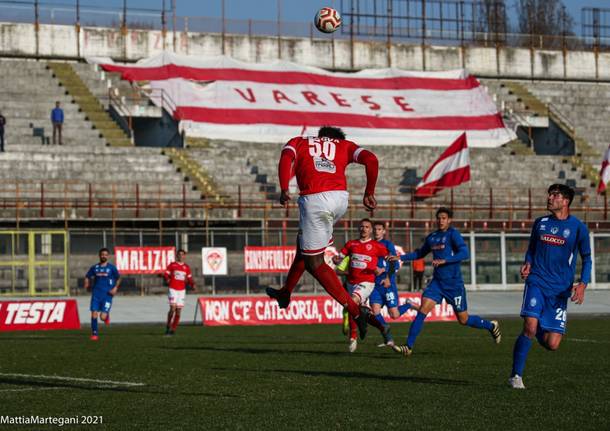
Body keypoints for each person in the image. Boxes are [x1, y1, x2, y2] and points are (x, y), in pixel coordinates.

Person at [266, 126, 380, 340]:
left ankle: (356, 313)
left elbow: (285, 156)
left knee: (314, 263)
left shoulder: (299, 141)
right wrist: (369, 192)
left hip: (315, 199)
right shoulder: (345, 146)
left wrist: (283, 188)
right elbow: (372, 160)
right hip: (339, 199)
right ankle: (285, 293)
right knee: (305, 248)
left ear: (320, 136)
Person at [509, 184, 591, 389]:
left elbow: (587, 258)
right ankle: (515, 376)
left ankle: (536, 329)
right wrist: (528, 263)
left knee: (552, 344)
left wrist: (583, 284)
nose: (549, 198)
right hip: (536, 281)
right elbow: (531, 249)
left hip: (560, 290)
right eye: (549, 194)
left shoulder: (578, 227)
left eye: (555, 195)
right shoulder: (540, 223)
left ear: (565, 201)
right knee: (529, 326)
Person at [389, 207, 501, 356]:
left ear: (449, 220)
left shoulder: (453, 234)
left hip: (454, 285)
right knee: (422, 310)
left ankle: (491, 326)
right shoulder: (432, 237)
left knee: (463, 319)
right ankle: (408, 346)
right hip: (437, 283)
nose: (441, 221)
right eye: (439, 218)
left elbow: (464, 253)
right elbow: (419, 253)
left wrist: (445, 260)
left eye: (444, 218)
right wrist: (400, 257)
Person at [333, 219, 393, 352]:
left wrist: (384, 271)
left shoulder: (377, 246)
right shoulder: (351, 244)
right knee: (359, 311)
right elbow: (340, 257)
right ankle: (382, 327)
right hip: (350, 283)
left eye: (367, 227)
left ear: (370, 230)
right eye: (361, 227)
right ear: (358, 229)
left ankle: (353, 336)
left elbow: (391, 259)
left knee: (352, 303)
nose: (364, 229)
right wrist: (336, 259)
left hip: (366, 283)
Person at [369, 221, 415, 347]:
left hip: (387, 284)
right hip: (374, 285)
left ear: (384, 231)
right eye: (375, 229)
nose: (376, 231)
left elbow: (394, 263)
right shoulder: (370, 245)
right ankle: (388, 338)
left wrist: (387, 275)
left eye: (379, 229)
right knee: (375, 311)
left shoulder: (388, 245)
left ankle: (408, 304)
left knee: (394, 314)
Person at [84, 248, 121, 341]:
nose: (103, 256)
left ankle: (106, 316)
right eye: (102, 254)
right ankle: (94, 334)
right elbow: (87, 276)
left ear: (108, 256)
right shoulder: (95, 267)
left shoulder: (112, 268)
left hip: (107, 295)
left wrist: (115, 288)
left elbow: (119, 278)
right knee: (94, 314)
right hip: (96, 294)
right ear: (99, 255)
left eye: (105, 254)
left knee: (102, 317)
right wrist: (87, 284)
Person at [164, 249, 196, 336]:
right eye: (179, 254)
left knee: (178, 311)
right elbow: (166, 274)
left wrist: (193, 284)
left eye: (182, 255)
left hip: (182, 290)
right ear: (177, 256)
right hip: (173, 289)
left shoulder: (186, 267)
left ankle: (173, 329)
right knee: (172, 309)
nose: (181, 256)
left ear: (184, 256)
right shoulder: (172, 265)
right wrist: (167, 279)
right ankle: (168, 325)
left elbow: (189, 278)